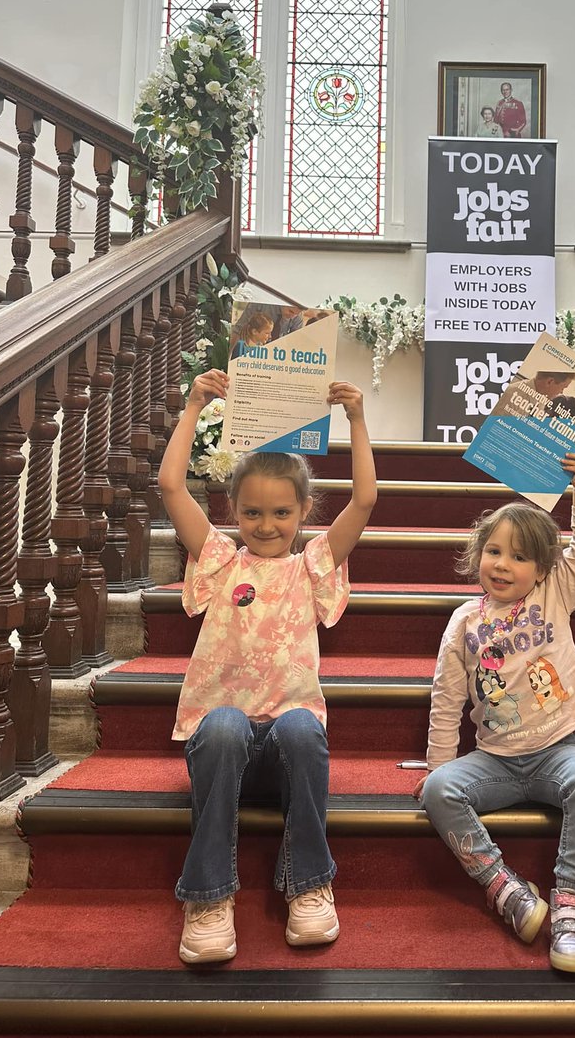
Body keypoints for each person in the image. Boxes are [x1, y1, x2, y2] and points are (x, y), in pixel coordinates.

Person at [158, 368, 377, 965]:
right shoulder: (220, 558)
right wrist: (193, 407)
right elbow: (172, 488)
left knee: (304, 726)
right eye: (252, 512)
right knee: (225, 724)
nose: (266, 525)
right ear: (234, 509)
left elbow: (364, 500)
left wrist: (356, 420)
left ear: (303, 511)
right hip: (221, 743)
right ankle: (207, 897)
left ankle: (309, 884)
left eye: (281, 513)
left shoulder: (313, 566)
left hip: (287, 746)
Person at [414, 448, 575, 974]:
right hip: (496, 760)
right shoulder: (463, 621)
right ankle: (503, 887)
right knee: (439, 791)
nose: (503, 564)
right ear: (478, 553)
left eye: (520, 556)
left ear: (543, 568)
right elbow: (447, 695)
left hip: (559, 751)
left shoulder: (554, 595)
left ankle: (570, 904)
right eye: (495, 551)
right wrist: (438, 763)